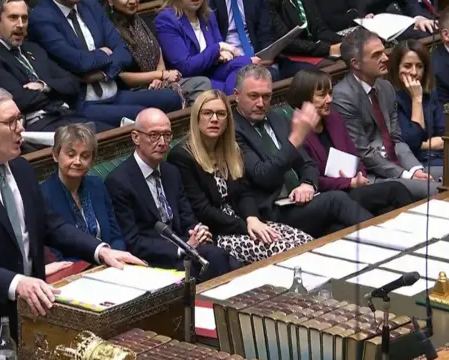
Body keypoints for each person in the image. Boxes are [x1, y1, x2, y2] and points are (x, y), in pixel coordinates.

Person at [0, 86, 144, 359]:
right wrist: (19, 283)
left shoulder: (22, 169)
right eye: (11, 122)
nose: (21, 129)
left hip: (29, 316)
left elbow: (51, 225)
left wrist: (101, 250)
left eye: (20, 119)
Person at [168, 90, 314, 264]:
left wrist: (252, 218)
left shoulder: (231, 149)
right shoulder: (182, 156)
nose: (214, 119)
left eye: (221, 114)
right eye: (207, 113)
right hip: (219, 233)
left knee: (306, 242)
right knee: (285, 250)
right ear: (196, 117)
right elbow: (203, 210)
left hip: (246, 222)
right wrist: (247, 225)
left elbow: (244, 192)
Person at [233, 64, 374, 237]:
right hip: (273, 211)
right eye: (253, 96)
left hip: (300, 200)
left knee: (342, 225)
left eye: (266, 96)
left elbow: (308, 163)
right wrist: (295, 141)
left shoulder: (277, 117)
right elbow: (263, 176)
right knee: (337, 200)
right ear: (237, 95)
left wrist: (307, 184)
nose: (261, 103)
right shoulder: (233, 132)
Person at [106, 108, 241, 281]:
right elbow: (133, 241)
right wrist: (181, 248)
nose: (162, 142)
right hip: (154, 258)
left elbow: (187, 217)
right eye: (154, 135)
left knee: (228, 260)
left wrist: (197, 230)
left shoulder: (171, 172)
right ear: (136, 137)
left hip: (186, 247)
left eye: (167, 135)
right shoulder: (119, 181)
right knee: (218, 258)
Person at [28, 0, 183, 128]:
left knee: (171, 99)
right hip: (83, 101)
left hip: (114, 91)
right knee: (146, 115)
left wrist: (104, 73)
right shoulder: (42, 16)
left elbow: (123, 52)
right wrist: (102, 53)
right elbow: (78, 62)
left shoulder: (91, 5)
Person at [332, 28, 441, 200]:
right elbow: (364, 153)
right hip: (372, 176)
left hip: (399, 165)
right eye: (377, 55)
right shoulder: (343, 96)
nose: (385, 58)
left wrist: (414, 169)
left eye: (383, 52)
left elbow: (396, 139)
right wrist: (406, 175)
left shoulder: (385, 87)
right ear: (356, 63)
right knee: (438, 190)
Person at [289, 69, 414, 215]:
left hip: (354, 187)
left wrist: (360, 174)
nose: (329, 99)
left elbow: (354, 155)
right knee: (395, 191)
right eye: (322, 95)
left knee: (395, 195)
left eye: (330, 93)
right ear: (305, 99)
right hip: (329, 197)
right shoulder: (297, 131)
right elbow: (310, 178)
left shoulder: (334, 118)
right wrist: (349, 183)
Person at [0, 0, 112, 133]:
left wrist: (44, 86)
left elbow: (73, 84)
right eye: (13, 18)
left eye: (24, 18)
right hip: (34, 125)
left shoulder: (33, 48)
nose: (21, 24)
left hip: (64, 115)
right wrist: (57, 93)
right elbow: (20, 99)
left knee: (111, 133)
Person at [41, 124, 127, 261]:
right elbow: (55, 254)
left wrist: (114, 257)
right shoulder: (43, 195)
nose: (78, 161)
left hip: (111, 265)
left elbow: (116, 236)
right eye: (71, 154)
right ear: (55, 155)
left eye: (85, 156)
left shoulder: (97, 185)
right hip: (74, 273)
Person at [103, 0, 212, 106]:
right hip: (133, 90)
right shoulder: (108, 30)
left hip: (158, 81)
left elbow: (158, 53)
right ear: (111, 1)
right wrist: (161, 75)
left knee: (202, 83)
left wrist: (158, 78)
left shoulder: (138, 21)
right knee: (170, 96)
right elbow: (121, 76)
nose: (132, 1)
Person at [154, 0, 253, 95]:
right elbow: (185, 66)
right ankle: (231, 101)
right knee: (227, 87)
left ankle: (230, 99)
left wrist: (219, 52)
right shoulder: (166, 20)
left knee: (244, 62)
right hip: (189, 78)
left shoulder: (207, 14)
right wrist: (218, 48)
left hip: (211, 69)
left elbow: (222, 51)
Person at [210, 0, 315, 81]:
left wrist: (266, 55)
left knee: (309, 72)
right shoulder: (209, 3)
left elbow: (265, 33)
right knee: (271, 75)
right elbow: (213, 40)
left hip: (259, 55)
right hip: (232, 62)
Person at [389, 40, 445, 168]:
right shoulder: (391, 98)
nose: (414, 72)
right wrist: (416, 100)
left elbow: (446, 137)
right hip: (414, 164)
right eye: (407, 66)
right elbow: (412, 142)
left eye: (419, 66)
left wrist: (422, 144)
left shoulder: (431, 94)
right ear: (396, 68)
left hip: (440, 157)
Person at [269, 0, 343, 58]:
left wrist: (344, 40)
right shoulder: (271, 4)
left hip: (313, 47)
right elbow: (286, 42)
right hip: (290, 54)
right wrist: (327, 49)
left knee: (348, 52)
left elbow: (320, 29)